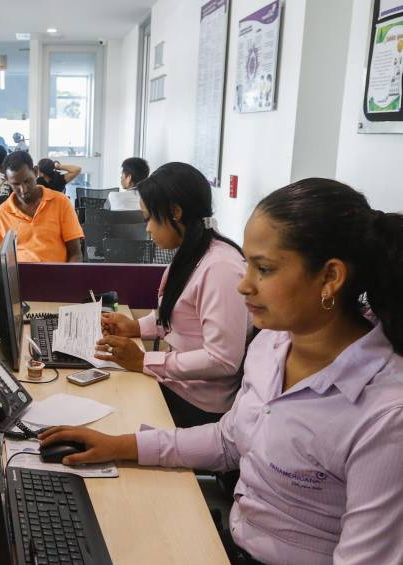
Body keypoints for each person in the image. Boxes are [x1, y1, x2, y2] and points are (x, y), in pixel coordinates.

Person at [41, 178, 403, 564]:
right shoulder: (271, 345)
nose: (244, 285)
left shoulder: (386, 416)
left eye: (263, 269)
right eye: (249, 265)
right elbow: (230, 441)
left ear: (330, 278)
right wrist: (121, 446)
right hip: (231, 539)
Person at [96, 162, 248, 427]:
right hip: (178, 385)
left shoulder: (221, 268)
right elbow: (182, 317)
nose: (147, 228)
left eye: (149, 218)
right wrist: (134, 327)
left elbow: (223, 360)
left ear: (175, 212)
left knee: (114, 414)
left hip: (198, 406)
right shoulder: (193, 253)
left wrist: (146, 360)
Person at [0, 151, 83, 263]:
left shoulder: (61, 202)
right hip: (18, 279)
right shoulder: (0, 214)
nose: (24, 190)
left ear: (36, 172)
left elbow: (75, 253)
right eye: (16, 184)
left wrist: (68, 279)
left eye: (27, 181)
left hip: (58, 278)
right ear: (6, 180)